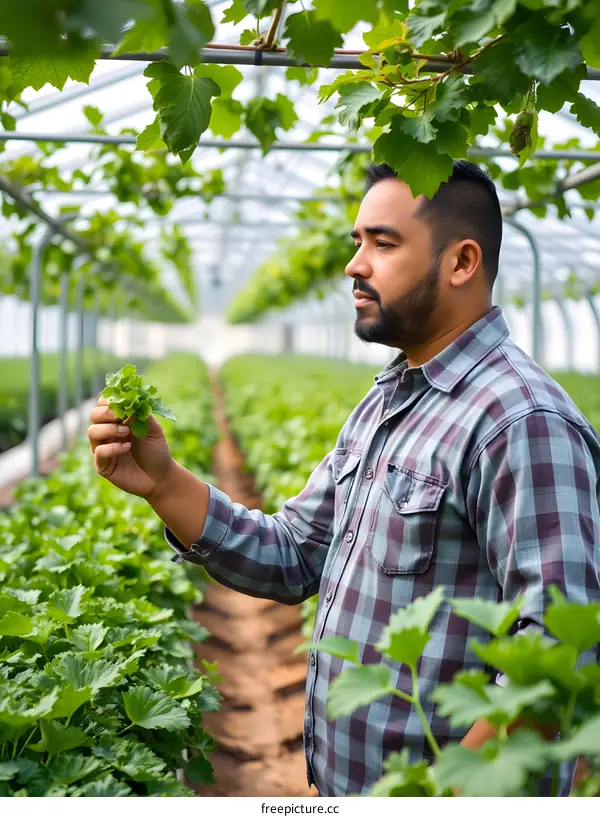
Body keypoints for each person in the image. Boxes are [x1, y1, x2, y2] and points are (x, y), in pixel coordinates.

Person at [88, 161, 600, 797]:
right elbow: (296, 554)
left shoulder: (520, 421)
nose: (355, 265)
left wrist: (442, 796)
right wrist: (163, 485)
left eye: (382, 243)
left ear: (461, 262)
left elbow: (558, 655)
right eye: (358, 241)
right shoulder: (390, 396)